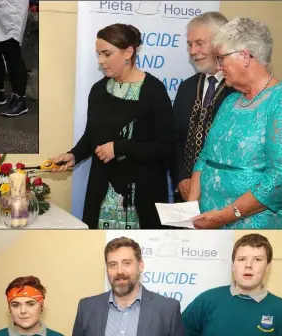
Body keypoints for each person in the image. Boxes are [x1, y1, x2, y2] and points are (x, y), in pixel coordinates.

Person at [51, 24, 175, 229]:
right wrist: (73, 156)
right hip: (101, 196)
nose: (101, 61)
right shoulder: (99, 90)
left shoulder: (154, 91)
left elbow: (165, 147)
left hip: (141, 200)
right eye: (99, 54)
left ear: (128, 52)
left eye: (107, 54)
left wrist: (120, 148)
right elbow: (92, 135)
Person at [188, 17, 282, 228]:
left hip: (252, 225)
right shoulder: (230, 100)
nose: (219, 67)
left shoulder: (278, 102)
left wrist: (224, 217)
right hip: (206, 222)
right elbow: (205, 157)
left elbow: (279, 179)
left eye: (221, 58)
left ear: (245, 57)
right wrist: (191, 210)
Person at [171, 11, 234, 202]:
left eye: (199, 43)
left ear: (221, 43)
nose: (193, 51)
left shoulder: (238, 90)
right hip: (184, 194)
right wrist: (181, 178)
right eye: (190, 44)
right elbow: (174, 139)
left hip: (224, 197)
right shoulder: (186, 87)